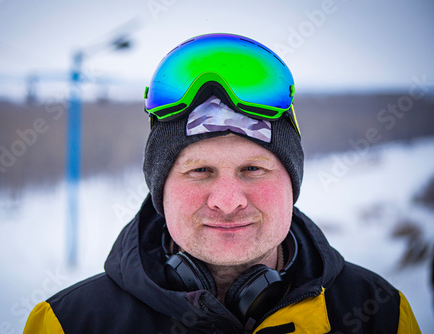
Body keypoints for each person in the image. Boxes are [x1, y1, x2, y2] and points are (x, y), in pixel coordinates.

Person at [24, 33, 420, 333]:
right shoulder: (69, 323)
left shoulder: (380, 313)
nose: (228, 201)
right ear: (159, 189)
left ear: (292, 182)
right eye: (200, 171)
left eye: (253, 169)